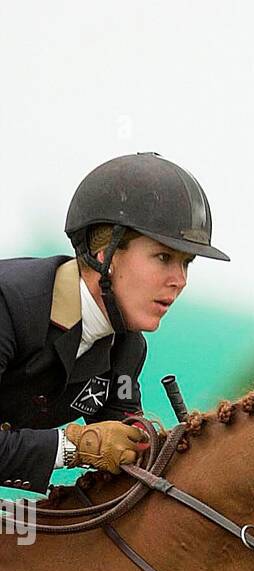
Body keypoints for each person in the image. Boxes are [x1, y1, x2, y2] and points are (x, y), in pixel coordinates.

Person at [0, 152, 228, 495]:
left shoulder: (127, 347)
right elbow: (94, 443)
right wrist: (79, 446)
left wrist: (170, 444)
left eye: (186, 264)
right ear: (106, 255)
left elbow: (121, 434)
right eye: (164, 257)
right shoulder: (9, 304)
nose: (179, 281)